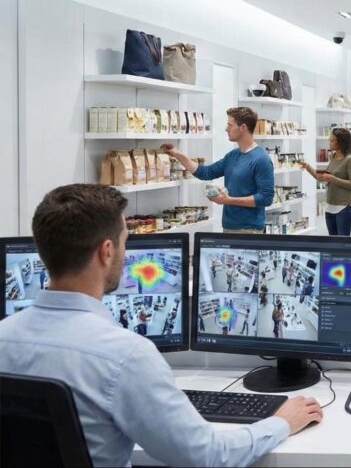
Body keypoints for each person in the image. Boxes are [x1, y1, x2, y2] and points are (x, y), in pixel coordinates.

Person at [0, 184, 321, 467]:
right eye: (125, 242)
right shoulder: (125, 356)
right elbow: (206, 456)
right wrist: (280, 423)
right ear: (106, 251)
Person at [163, 107, 275, 233]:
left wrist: (228, 200)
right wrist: (178, 154)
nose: (226, 129)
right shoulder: (232, 155)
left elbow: (266, 198)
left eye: (230, 125)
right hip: (228, 226)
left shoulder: (261, 159)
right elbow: (206, 173)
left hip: (249, 229)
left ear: (243, 127)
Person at [302, 127, 351, 236]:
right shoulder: (333, 157)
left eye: (332, 141)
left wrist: (333, 178)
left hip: (344, 207)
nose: (329, 143)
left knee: (342, 245)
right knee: (332, 244)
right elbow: (321, 177)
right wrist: (308, 167)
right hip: (330, 207)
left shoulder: (350, 159)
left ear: (340, 142)